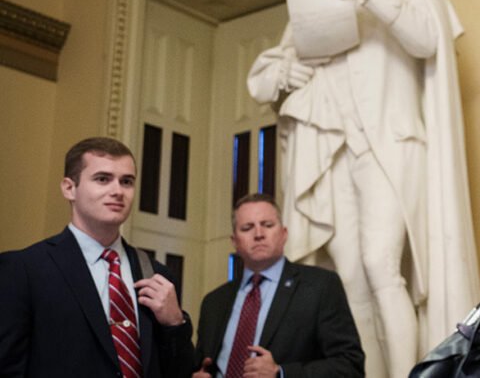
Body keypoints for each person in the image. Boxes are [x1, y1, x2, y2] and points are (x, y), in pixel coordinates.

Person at [247, 0, 478, 377]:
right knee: (349, 277)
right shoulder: (312, 0)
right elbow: (277, 74)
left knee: (381, 265)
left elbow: (427, 41)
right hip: (334, 148)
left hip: (392, 141)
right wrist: (286, 77)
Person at [0, 137, 194, 377]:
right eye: (102, 179)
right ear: (69, 188)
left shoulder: (156, 275)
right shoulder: (23, 269)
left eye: (127, 182)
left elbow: (180, 373)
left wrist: (175, 323)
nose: (117, 191)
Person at [191, 194, 364, 378]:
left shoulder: (320, 286)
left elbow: (350, 366)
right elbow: (202, 365)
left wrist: (281, 373)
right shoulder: (213, 302)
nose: (258, 234)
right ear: (235, 242)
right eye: (247, 228)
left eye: (267, 225)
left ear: (284, 234)